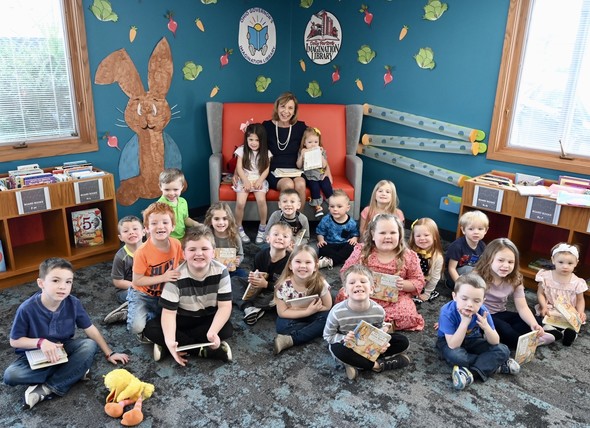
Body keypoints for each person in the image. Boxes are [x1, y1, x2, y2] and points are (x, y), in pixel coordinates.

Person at [3, 258, 129, 409]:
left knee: (89, 346)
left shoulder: (73, 303)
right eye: (56, 280)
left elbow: (90, 329)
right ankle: (74, 372)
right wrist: (41, 343)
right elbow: (15, 341)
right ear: (41, 283)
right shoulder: (26, 309)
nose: (62, 287)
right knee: (11, 375)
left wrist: (109, 353)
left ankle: (47, 388)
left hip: (63, 349)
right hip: (35, 354)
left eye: (68, 282)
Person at [143, 226, 233, 365]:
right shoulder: (176, 276)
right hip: (182, 319)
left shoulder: (221, 271)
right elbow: (168, 314)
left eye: (204, 249)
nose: (199, 254)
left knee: (227, 329)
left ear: (213, 252)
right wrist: (170, 339)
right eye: (192, 249)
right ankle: (201, 349)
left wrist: (212, 332)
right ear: (184, 254)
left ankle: (174, 347)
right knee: (151, 329)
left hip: (206, 317)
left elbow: (225, 307)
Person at [336, 213, 426, 330]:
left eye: (393, 233)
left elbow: (418, 280)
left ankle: (385, 326)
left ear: (399, 235)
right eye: (382, 233)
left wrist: (403, 284)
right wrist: (358, 280)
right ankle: (364, 320)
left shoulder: (408, 256)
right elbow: (345, 272)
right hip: (364, 295)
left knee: (407, 311)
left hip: (394, 299)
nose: (388, 237)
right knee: (344, 294)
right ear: (373, 235)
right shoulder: (362, 251)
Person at [323, 265, 411, 380]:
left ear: (372, 289)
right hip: (347, 346)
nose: (358, 284)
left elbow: (378, 330)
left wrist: (382, 343)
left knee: (402, 341)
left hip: (369, 347)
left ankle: (357, 364)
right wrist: (344, 338)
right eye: (352, 282)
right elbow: (328, 336)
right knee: (337, 349)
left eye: (363, 281)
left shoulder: (379, 311)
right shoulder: (336, 312)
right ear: (345, 291)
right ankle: (378, 365)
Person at [436, 273, 520, 391]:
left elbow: (495, 341)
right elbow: (453, 345)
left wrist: (486, 327)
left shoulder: (483, 311)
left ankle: (470, 374)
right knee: (457, 357)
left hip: (473, 339)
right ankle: (495, 365)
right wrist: (464, 322)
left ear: (483, 301)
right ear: (454, 296)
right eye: (464, 298)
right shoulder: (447, 311)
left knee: (503, 349)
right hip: (448, 342)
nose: (470, 304)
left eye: (476, 301)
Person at [474, 238, 552, 349]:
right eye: (500, 260)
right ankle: (528, 342)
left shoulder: (515, 279)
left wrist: (534, 325)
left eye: (510, 262)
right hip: (480, 316)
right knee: (506, 330)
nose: (506, 266)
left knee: (535, 320)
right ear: (489, 259)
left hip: (499, 313)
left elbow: (523, 307)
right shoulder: (476, 277)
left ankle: (526, 338)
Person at [129, 202, 183, 339]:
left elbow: (182, 263)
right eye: (154, 223)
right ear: (146, 228)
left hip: (165, 293)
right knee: (136, 328)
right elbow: (137, 280)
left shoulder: (176, 244)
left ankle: (147, 314)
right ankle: (130, 309)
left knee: (183, 317)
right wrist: (163, 277)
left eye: (165, 222)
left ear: (173, 226)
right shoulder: (141, 252)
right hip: (142, 294)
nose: (160, 226)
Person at [273, 245, 332, 355]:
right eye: (298, 262)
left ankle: (291, 340)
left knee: (329, 317)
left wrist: (312, 311)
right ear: (290, 265)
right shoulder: (283, 286)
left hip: (315, 313)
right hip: (294, 314)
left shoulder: (320, 283)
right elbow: (282, 312)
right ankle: (314, 330)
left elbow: (328, 306)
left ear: (315, 266)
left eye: (308, 262)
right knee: (281, 326)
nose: (303, 266)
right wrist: (306, 311)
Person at [232, 222, 292, 326]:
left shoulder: (291, 262)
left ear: (290, 243)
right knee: (233, 281)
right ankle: (249, 307)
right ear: (268, 238)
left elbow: (288, 287)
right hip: (259, 288)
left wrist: (266, 285)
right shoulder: (260, 255)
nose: (280, 238)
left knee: (277, 299)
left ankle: (252, 306)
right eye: (276, 234)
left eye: (285, 236)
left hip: (276, 291)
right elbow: (257, 273)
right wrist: (253, 279)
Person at [535, 243, 587, 346]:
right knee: (543, 320)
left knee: (572, 324)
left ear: (576, 263)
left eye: (570, 263)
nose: (565, 266)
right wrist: (543, 306)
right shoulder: (545, 276)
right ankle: (552, 332)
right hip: (550, 307)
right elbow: (540, 293)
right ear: (553, 260)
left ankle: (569, 334)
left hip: (568, 310)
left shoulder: (577, 282)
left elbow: (580, 299)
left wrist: (581, 312)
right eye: (561, 262)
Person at [263, 92, 308, 205]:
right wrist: (236, 172)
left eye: (290, 108)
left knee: (300, 184)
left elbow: (316, 145)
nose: (286, 111)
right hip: (273, 170)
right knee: (287, 184)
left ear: (294, 111)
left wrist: (327, 170)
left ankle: (297, 221)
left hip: (295, 169)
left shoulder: (301, 127)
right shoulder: (267, 126)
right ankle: (285, 221)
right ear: (277, 107)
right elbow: (250, 147)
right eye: (283, 106)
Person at [233, 123, 272, 244]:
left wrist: (260, 180)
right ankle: (238, 227)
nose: (253, 143)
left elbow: (266, 169)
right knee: (240, 202)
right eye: (251, 139)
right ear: (246, 139)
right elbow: (239, 168)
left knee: (261, 201)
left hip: (258, 179)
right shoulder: (241, 150)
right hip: (245, 178)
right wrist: (245, 180)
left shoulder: (266, 153)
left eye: (257, 140)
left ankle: (263, 227)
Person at [103, 215, 145, 324]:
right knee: (141, 296)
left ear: (144, 231)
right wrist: (138, 286)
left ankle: (129, 311)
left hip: (148, 286)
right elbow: (118, 282)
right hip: (127, 290)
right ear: (120, 237)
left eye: (135, 229)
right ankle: (129, 309)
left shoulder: (151, 249)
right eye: (126, 231)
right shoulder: (121, 256)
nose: (131, 232)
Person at [445, 210, 489, 290]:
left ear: (485, 231)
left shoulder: (482, 246)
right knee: (470, 269)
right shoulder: (457, 246)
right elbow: (451, 268)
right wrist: (460, 285)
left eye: (480, 229)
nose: (476, 232)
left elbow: (482, 265)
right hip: (455, 277)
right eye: (471, 229)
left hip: (472, 273)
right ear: (463, 230)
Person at [315, 189, 359, 269]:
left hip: (344, 244)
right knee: (322, 247)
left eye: (339, 206)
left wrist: (354, 239)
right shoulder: (326, 219)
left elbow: (355, 234)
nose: (335, 209)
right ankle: (341, 259)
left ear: (347, 208)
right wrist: (321, 240)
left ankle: (331, 260)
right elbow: (320, 232)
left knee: (352, 247)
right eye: (332, 206)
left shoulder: (351, 222)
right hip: (330, 244)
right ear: (329, 207)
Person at [295, 126, 333, 217]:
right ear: (304, 143)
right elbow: (298, 166)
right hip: (309, 176)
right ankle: (317, 206)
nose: (313, 145)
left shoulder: (321, 151)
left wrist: (320, 155)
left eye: (316, 142)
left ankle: (332, 202)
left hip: (320, 174)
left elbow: (324, 165)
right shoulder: (302, 151)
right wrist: (302, 156)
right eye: (310, 142)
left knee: (326, 184)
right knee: (314, 186)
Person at [204, 202, 247, 278]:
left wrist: (238, 260)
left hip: (231, 269)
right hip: (212, 269)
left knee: (242, 275)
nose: (221, 222)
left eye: (225, 219)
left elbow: (241, 254)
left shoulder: (235, 237)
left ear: (229, 220)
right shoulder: (207, 237)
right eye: (216, 219)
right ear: (210, 220)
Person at [157, 168, 201, 240]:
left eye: (175, 189)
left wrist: (195, 224)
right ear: (160, 187)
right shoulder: (159, 206)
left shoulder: (183, 202)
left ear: (182, 187)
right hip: (167, 240)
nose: (171, 193)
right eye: (167, 189)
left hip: (183, 237)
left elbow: (185, 219)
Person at [408, 218, 444, 303]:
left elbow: (434, 278)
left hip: (425, 282)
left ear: (434, 236)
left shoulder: (437, 258)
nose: (422, 238)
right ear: (413, 237)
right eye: (418, 236)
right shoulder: (410, 252)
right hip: (410, 280)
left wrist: (427, 293)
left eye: (426, 235)